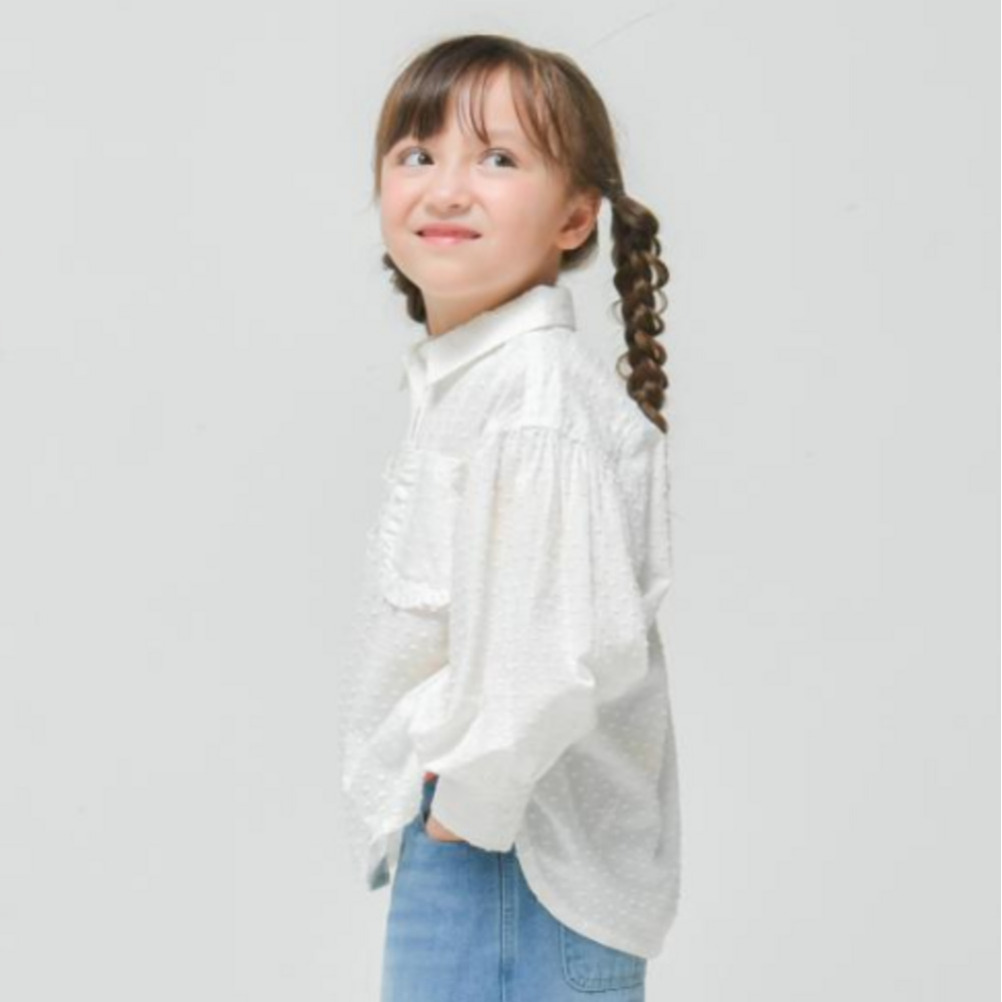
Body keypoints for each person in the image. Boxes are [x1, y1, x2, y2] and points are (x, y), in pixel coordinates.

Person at [337, 32, 679, 1001]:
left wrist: (463, 812)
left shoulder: (532, 403)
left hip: (508, 861)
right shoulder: (486, 388)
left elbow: (560, 650)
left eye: (497, 158)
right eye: (418, 154)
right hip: (484, 848)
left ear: (576, 215)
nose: (447, 189)